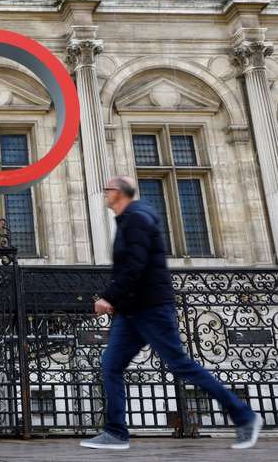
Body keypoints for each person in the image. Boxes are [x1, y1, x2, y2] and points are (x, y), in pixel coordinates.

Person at [80, 175, 263, 450]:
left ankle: (245, 416)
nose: (104, 195)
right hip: (132, 312)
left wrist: (109, 296)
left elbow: (136, 265)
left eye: (107, 190)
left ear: (117, 192)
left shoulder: (137, 219)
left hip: (151, 309)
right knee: (111, 366)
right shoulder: (130, 220)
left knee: (181, 365)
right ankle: (116, 433)